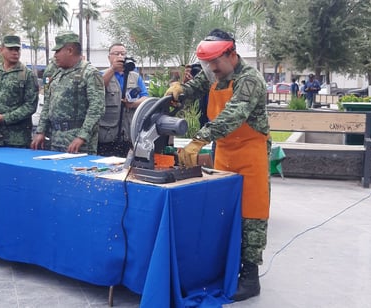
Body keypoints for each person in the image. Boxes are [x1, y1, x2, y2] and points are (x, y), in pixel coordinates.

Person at [165, 29, 270, 302]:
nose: (212, 70)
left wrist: (199, 140)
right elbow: (194, 88)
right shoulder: (214, 73)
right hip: (224, 153)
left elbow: (234, 114)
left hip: (251, 155)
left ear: (232, 55)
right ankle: (225, 268)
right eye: (208, 65)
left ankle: (250, 277)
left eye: (216, 64)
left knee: (251, 216)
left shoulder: (250, 80)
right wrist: (178, 91)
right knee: (223, 214)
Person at [31, 31, 105, 154]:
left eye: (58, 51)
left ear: (70, 50)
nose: (55, 55)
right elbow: (47, 104)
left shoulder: (89, 73)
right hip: (56, 140)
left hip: (78, 143)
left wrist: (82, 136)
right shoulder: (57, 73)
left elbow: (97, 109)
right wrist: (41, 131)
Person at [0, 35, 39, 148]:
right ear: (1, 50)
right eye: (11, 49)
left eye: (17, 49)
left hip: (17, 139)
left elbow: (30, 106)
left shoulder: (27, 74)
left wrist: (4, 118)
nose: (15, 53)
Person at [97, 43, 149, 157]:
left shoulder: (135, 76)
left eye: (123, 54)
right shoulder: (101, 74)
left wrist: (133, 104)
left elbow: (145, 97)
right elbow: (98, 88)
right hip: (107, 134)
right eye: (116, 54)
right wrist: (113, 69)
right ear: (109, 57)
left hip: (128, 133)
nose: (120, 56)